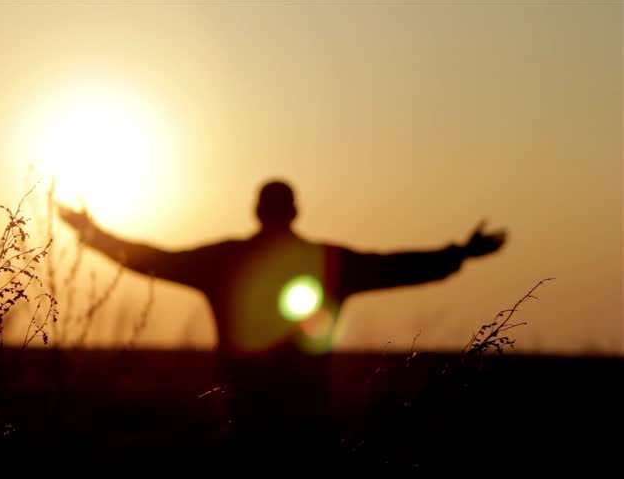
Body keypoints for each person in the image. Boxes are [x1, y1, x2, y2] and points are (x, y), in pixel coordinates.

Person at [58, 179, 507, 446]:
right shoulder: (326, 263)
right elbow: (395, 267)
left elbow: (151, 258)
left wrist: (91, 233)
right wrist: (459, 253)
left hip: (246, 424)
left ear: (257, 212)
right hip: (307, 429)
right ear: (295, 212)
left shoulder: (224, 263)